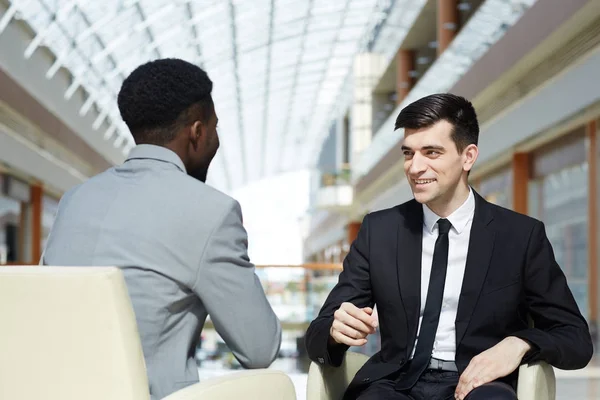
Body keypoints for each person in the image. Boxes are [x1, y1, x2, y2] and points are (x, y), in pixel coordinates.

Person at [305, 93, 593, 400]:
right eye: (408, 153)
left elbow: (575, 338)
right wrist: (335, 331)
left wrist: (519, 343)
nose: (415, 167)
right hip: (394, 384)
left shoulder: (520, 236)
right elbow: (318, 333)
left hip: (479, 385)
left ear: (468, 156)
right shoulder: (380, 230)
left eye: (431, 152)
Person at [42, 59, 282, 400]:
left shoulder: (74, 200)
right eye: (215, 128)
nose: (216, 141)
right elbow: (260, 348)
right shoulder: (212, 211)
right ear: (197, 132)